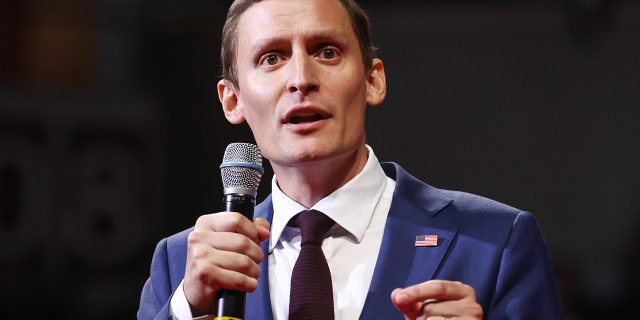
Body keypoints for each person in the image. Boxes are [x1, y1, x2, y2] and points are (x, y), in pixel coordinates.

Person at [138, 0, 564, 319]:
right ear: (233, 100)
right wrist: (184, 310)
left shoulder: (495, 242)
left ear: (372, 80)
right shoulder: (179, 267)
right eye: (272, 58)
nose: (301, 79)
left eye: (326, 51)